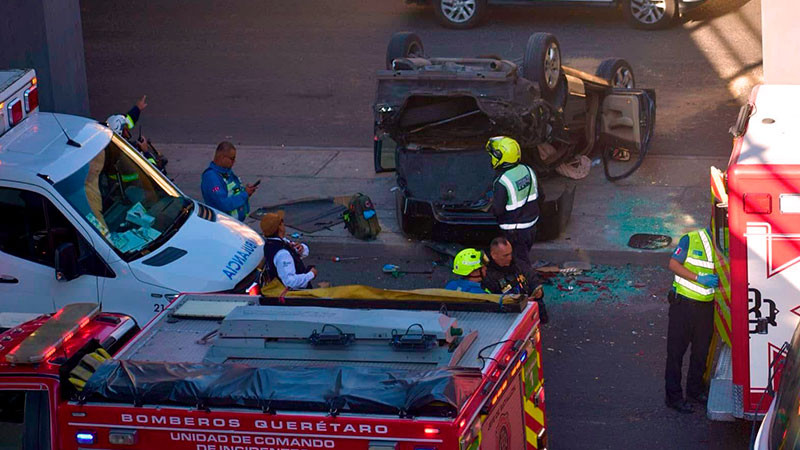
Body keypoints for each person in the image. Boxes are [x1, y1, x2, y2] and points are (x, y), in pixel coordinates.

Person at [664, 227, 719, 414]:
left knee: (701, 352)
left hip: (706, 307)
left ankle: (694, 391)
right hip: (683, 306)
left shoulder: (724, 242)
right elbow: (673, 264)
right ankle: (674, 397)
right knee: (675, 354)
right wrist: (698, 278)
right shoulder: (692, 238)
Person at [486, 136, 539, 268]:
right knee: (522, 257)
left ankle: (528, 285)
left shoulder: (502, 181)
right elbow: (540, 195)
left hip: (514, 232)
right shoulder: (527, 170)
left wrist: (488, 207)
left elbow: (498, 210)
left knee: (519, 264)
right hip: (531, 226)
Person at [482, 236, 548, 323]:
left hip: (531, 309)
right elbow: (495, 301)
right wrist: (519, 303)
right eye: (505, 255)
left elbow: (531, 276)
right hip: (509, 318)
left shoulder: (517, 263)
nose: (510, 258)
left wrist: (537, 289)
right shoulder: (489, 275)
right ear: (494, 255)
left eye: (510, 253)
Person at [106, 95, 167, 172]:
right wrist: (145, 151)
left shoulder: (109, 145)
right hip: (135, 183)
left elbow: (128, 120)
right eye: (126, 127)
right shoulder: (130, 151)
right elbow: (154, 171)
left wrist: (137, 109)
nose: (128, 128)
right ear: (122, 132)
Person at [201, 141, 258, 221]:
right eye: (232, 159)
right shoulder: (211, 178)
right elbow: (223, 204)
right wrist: (245, 194)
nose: (234, 162)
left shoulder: (226, 172)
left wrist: (245, 191)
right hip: (225, 225)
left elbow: (233, 191)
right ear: (222, 158)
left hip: (235, 224)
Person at [260, 211, 317, 290]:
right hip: (297, 296)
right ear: (280, 227)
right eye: (282, 222)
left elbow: (304, 252)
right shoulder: (282, 254)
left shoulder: (271, 244)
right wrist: (311, 274)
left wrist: (302, 248)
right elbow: (290, 282)